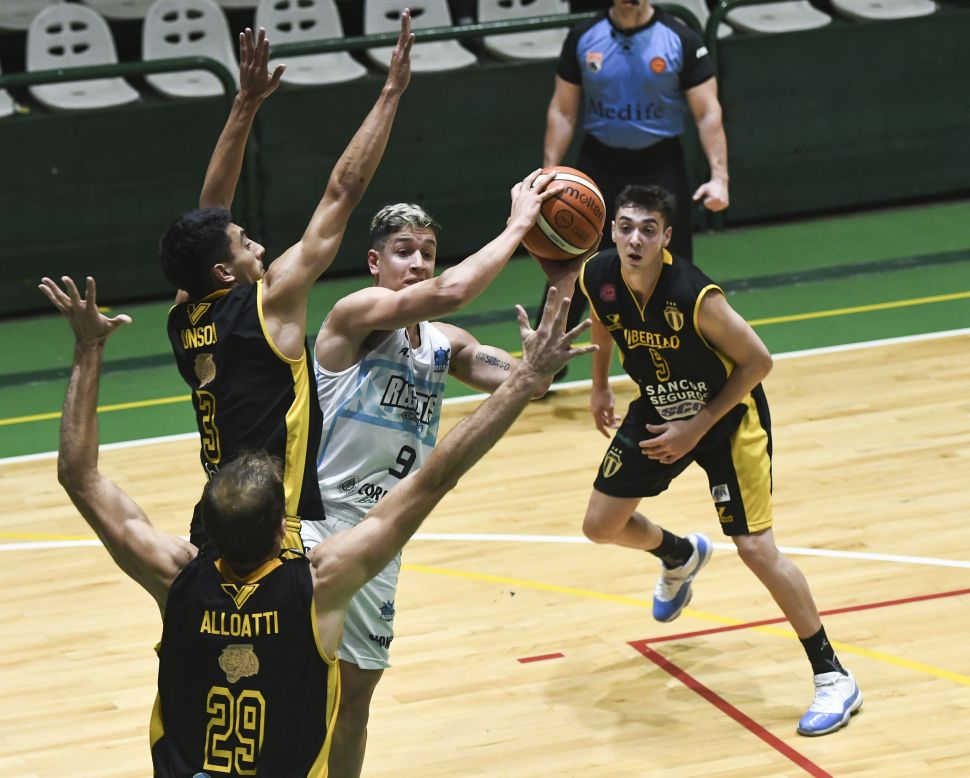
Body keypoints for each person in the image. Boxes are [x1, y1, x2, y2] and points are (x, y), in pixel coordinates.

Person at [39, 273, 594, 776]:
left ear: (202, 531)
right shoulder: (318, 582)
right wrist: (524, 381)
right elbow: (434, 478)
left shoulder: (177, 576)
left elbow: (78, 476)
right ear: (285, 528)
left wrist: (88, 348)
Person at [306, 179, 591, 777]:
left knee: (355, 702)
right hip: (319, 526)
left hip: (383, 537)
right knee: (300, 688)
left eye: (428, 252)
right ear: (375, 262)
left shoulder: (446, 345)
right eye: (403, 251)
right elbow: (453, 291)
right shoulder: (354, 316)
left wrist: (564, 274)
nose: (417, 262)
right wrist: (519, 226)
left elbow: (532, 379)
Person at [577, 184, 862, 737]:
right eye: (626, 227)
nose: (635, 240)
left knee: (756, 548)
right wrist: (599, 386)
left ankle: (833, 675)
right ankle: (679, 554)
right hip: (660, 406)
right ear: (612, 229)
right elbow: (602, 320)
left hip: (727, 418)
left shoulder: (694, 295)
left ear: (666, 237)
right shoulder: (599, 275)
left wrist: (697, 428)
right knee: (600, 525)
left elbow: (758, 361)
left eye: (648, 230)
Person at [159, 19, 413, 555]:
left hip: (216, 516)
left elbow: (211, 212)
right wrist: (391, 92)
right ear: (224, 273)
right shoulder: (270, 301)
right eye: (244, 243)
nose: (258, 247)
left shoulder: (183, 315)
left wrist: (245, 104)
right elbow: (343, 192)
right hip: (270, 529)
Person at [536, 0, 730, 370]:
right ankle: (542, 364)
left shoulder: (681, 39)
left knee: (674, 267)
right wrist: (549, 173)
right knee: (571, 262)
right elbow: (563, 110)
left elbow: (708, 112)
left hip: (660, 163)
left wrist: (720, 178)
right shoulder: (583, 37)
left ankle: (684, 363)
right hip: (600, 162)